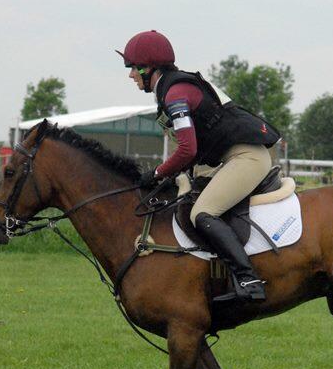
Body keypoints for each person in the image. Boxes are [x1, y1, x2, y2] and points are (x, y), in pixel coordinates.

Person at [117, 30, 280, 303]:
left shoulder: (175, 95)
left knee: (202, 213)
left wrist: (156, 173)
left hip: (247, 157)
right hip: (233, 157)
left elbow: (187, 149)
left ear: (149, 67)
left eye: (133, 68)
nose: (131, 75)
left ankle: (249, 280)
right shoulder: (172, 89)